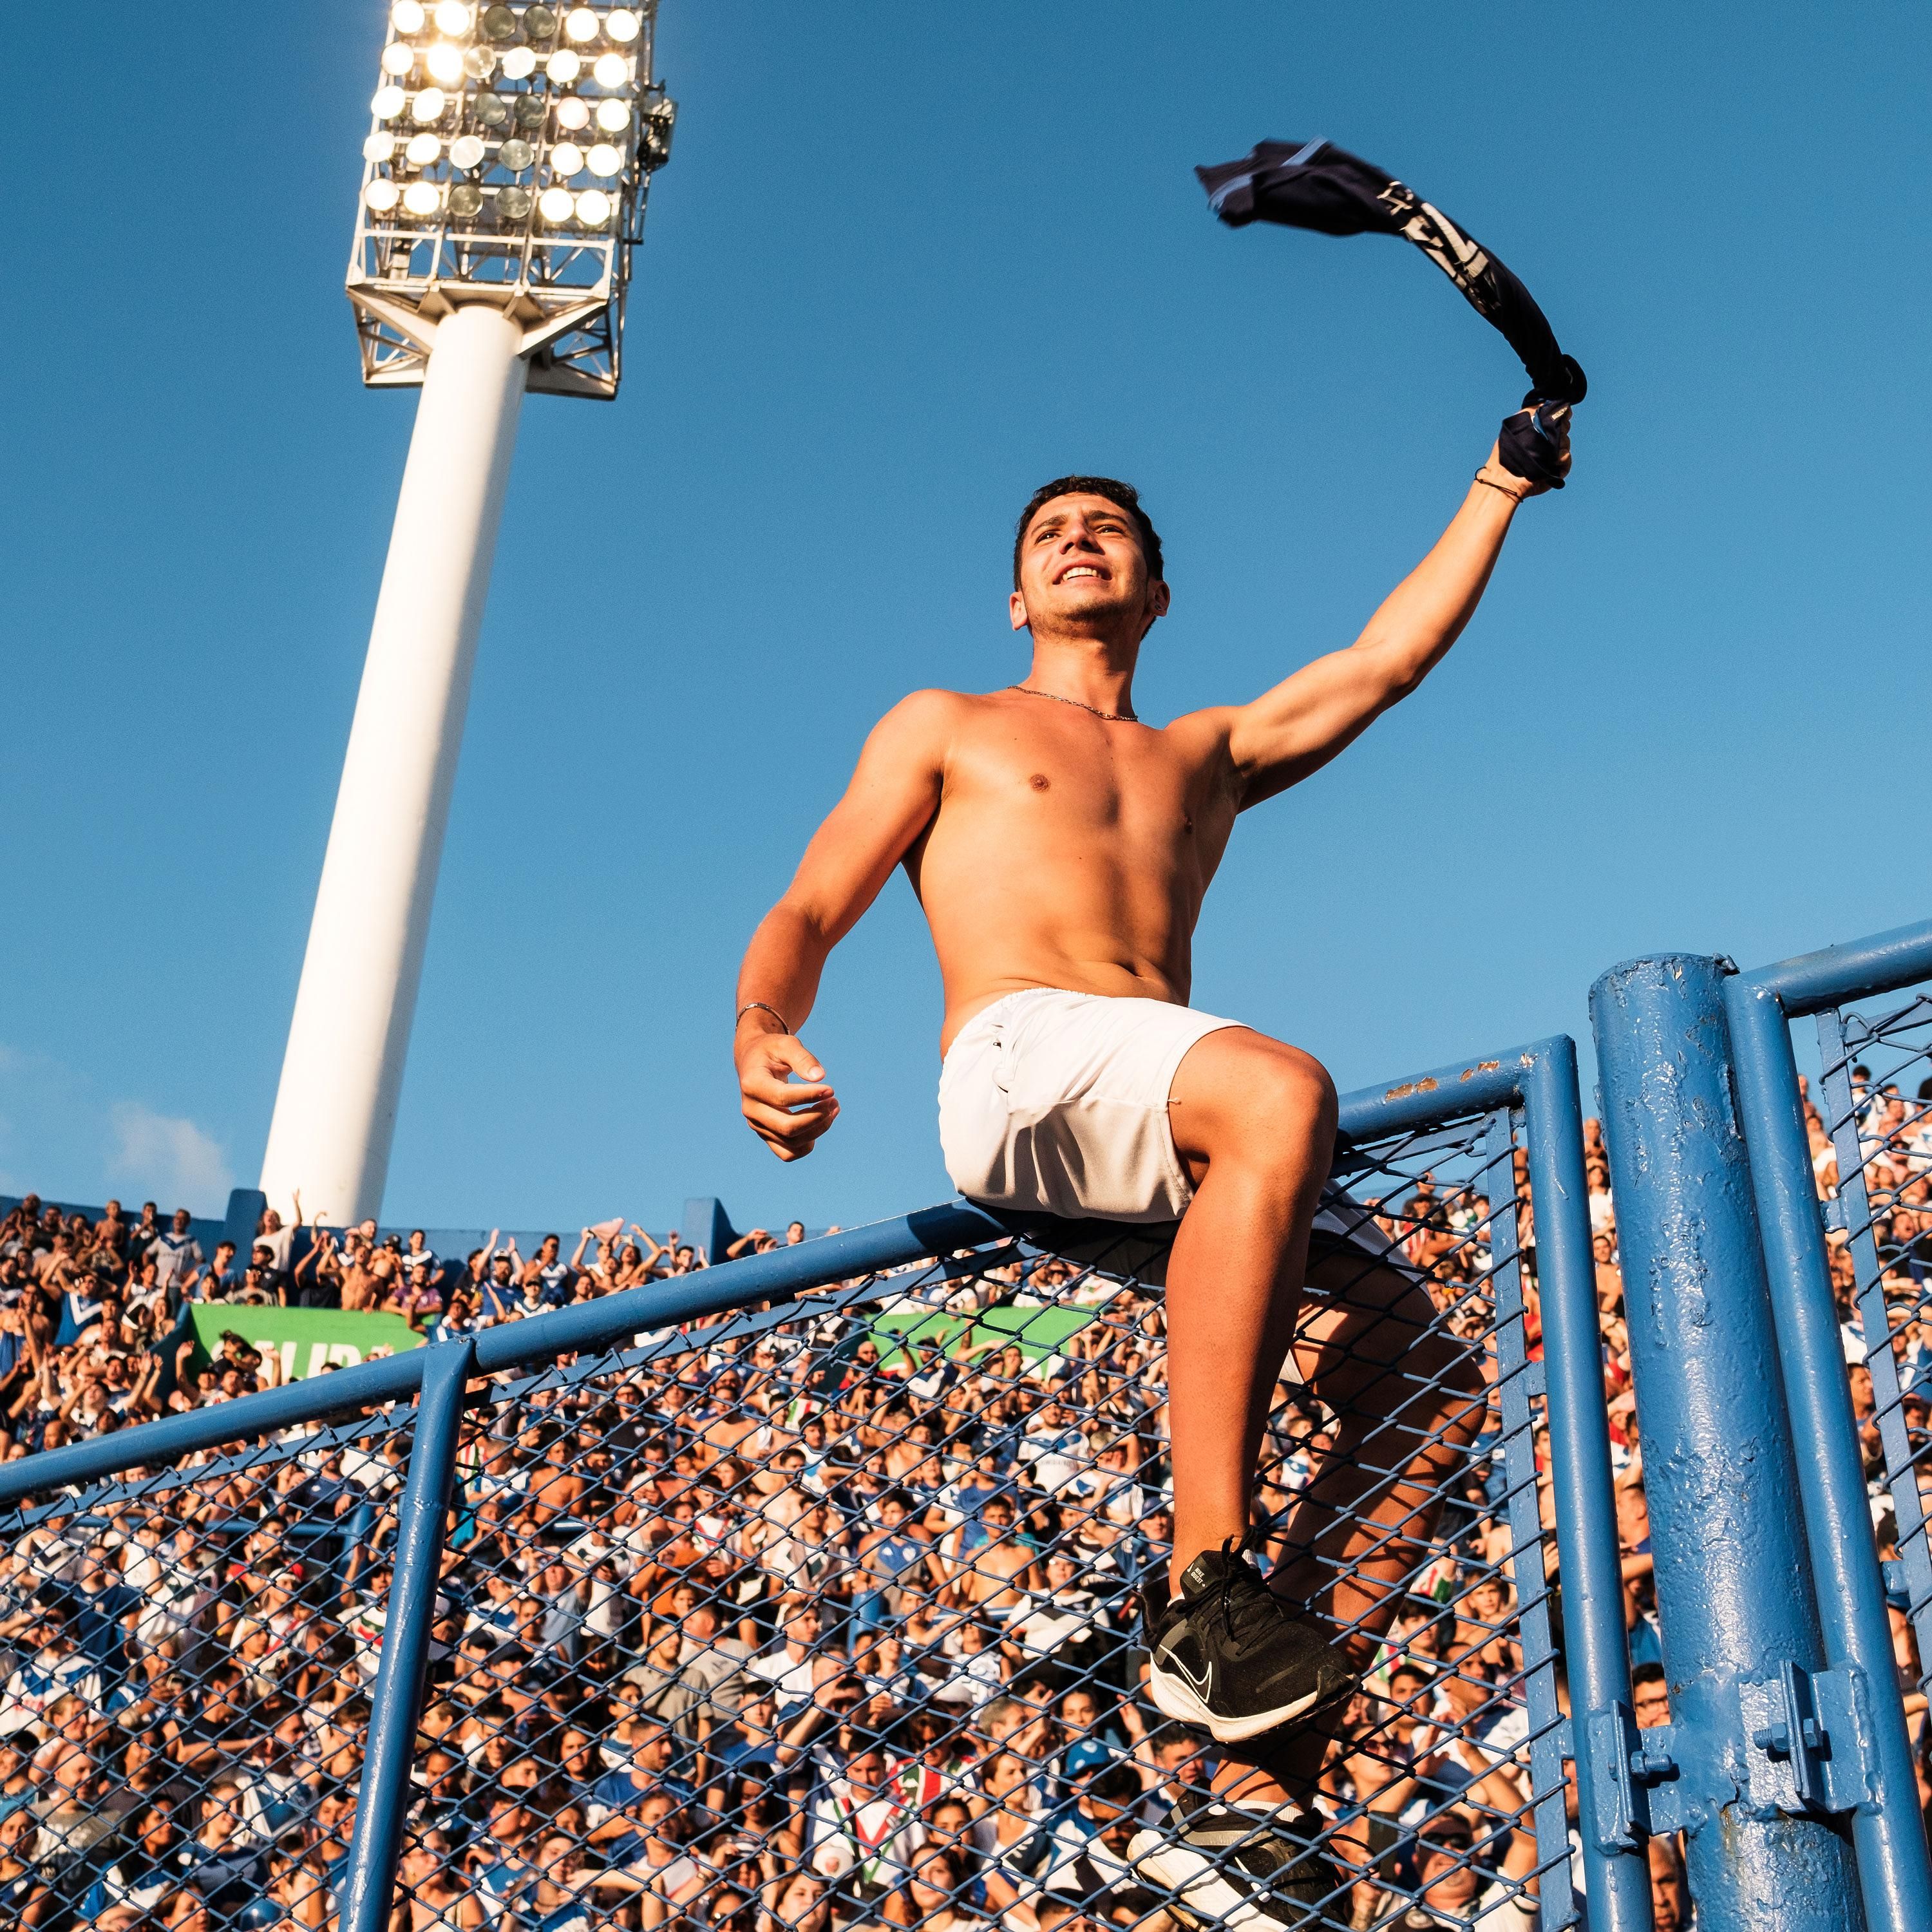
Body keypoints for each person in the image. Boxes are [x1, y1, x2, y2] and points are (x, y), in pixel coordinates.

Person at [732, 428, 1569, 1903]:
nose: (1079, 538)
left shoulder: (1206, 756)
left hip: (1166, 1114)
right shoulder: (947, 722)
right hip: (1023, 1059)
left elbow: (1384, 662)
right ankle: (1207, 1583)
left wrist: (1498, 487)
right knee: (1282, 1090)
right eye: (1050, 530)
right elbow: (811, 900)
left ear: (1159, 593)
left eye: (1108, 527)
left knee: (1429, 1385)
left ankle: (1252, 1790)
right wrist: (762, 1024)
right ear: (1016, 597)